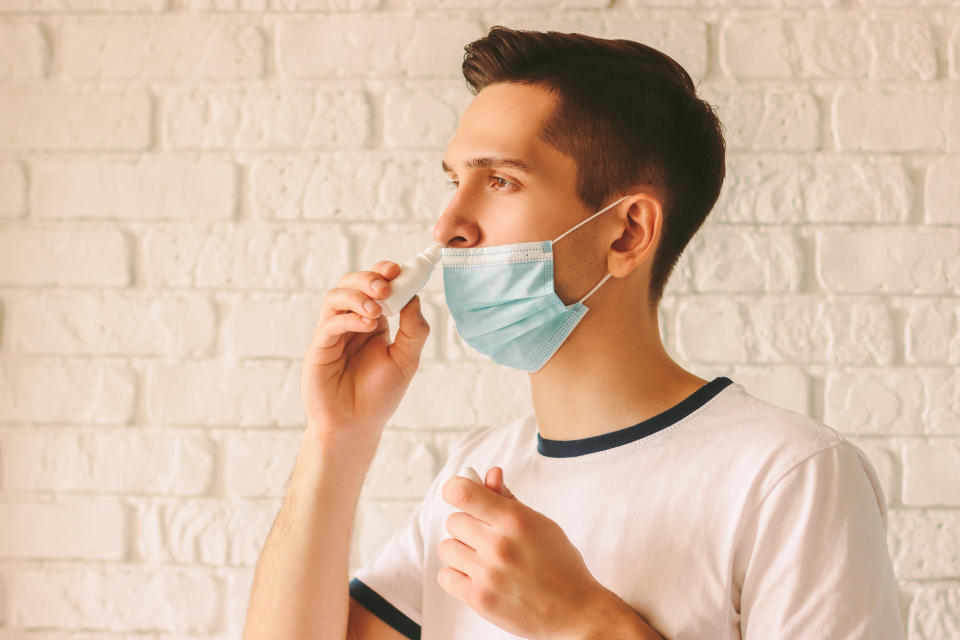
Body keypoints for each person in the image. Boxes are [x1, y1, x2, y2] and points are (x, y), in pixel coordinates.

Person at [243, 26, 905, 640]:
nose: (448, 225)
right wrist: (338, 437)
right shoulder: (474, 474)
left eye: (500, 180)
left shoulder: (789, 476)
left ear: (627, 232)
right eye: (455, 181)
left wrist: (583, 619)